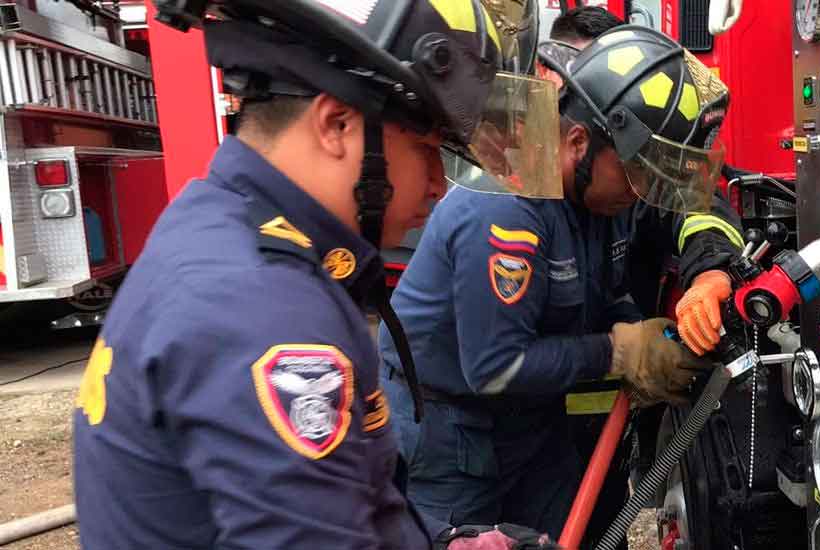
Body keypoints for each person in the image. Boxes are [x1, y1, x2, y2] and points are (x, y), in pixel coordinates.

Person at [72, 1, 561, 548]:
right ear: (336, 125)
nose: (437, 185)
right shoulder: (264, 310)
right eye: (427, 150)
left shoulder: (223, 224)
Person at [379, 24, 737, 539]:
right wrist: (620, 353)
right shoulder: (506, 208)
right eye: (639, 173)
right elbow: (494, 366)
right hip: (450, 429)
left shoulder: (604, 195)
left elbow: (604, 291)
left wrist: (649, 337)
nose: (643, 192)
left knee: (573, 532)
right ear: (577, 142)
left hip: (530, 423)